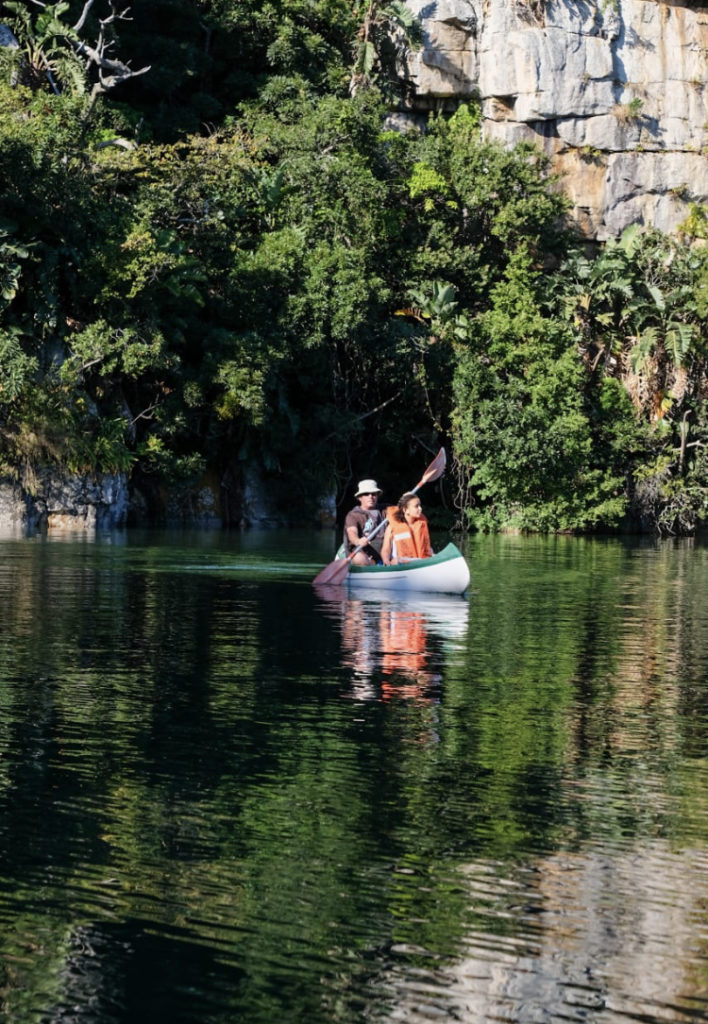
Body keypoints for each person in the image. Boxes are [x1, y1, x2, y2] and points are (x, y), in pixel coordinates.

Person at [381, 492, 433, 564]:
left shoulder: (421, 524)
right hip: (401, 562)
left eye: (420, 505)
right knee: (397, 561)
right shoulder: (391, 528)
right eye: (416, 506)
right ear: (405, 510)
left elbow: (427, 547)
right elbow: (386, 549)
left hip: (422, 560)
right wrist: (386, 560)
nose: (420, 509)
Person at [343, 479, 385, 565]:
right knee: (359, 559)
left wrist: (407, 497)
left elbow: (405, 506)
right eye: (366, 494)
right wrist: (358, 541)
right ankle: (372, 567)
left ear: (377, 496)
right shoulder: (352, 515)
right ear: (360, 497)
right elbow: (352, 533)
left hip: (384, 552)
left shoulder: (386, 509)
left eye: (374, 494)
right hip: (363, 552)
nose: (371, 496)